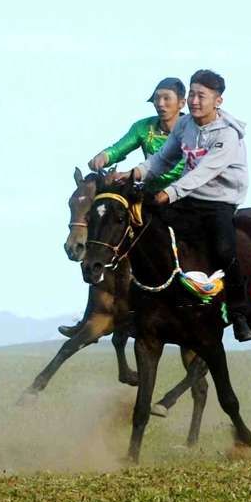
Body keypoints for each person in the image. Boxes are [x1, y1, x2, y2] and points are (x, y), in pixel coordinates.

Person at [57, 78, 190, 336]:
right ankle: (94, 313)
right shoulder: (143, 127)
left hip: (180, 195)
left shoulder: (188, 129)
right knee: (106, 233)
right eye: (157, 99)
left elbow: (175, 166)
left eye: (167, 99)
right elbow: (121, 147)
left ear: (181, 103)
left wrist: (137, 175)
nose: (160, 105)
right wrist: (104, 156)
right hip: (145, 195)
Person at [134, 69, 251, 340]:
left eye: (202, 96)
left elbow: (203, 172)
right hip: (189, 198)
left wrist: (169, 193)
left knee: (223, 249)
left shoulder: (228, 135)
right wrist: (134, 174)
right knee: (148, 227)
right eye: (193, 95)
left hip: (219, 202)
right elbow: (162, 159)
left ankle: (239, 312)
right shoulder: (185, 126)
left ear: (217, 101)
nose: (195, 101)